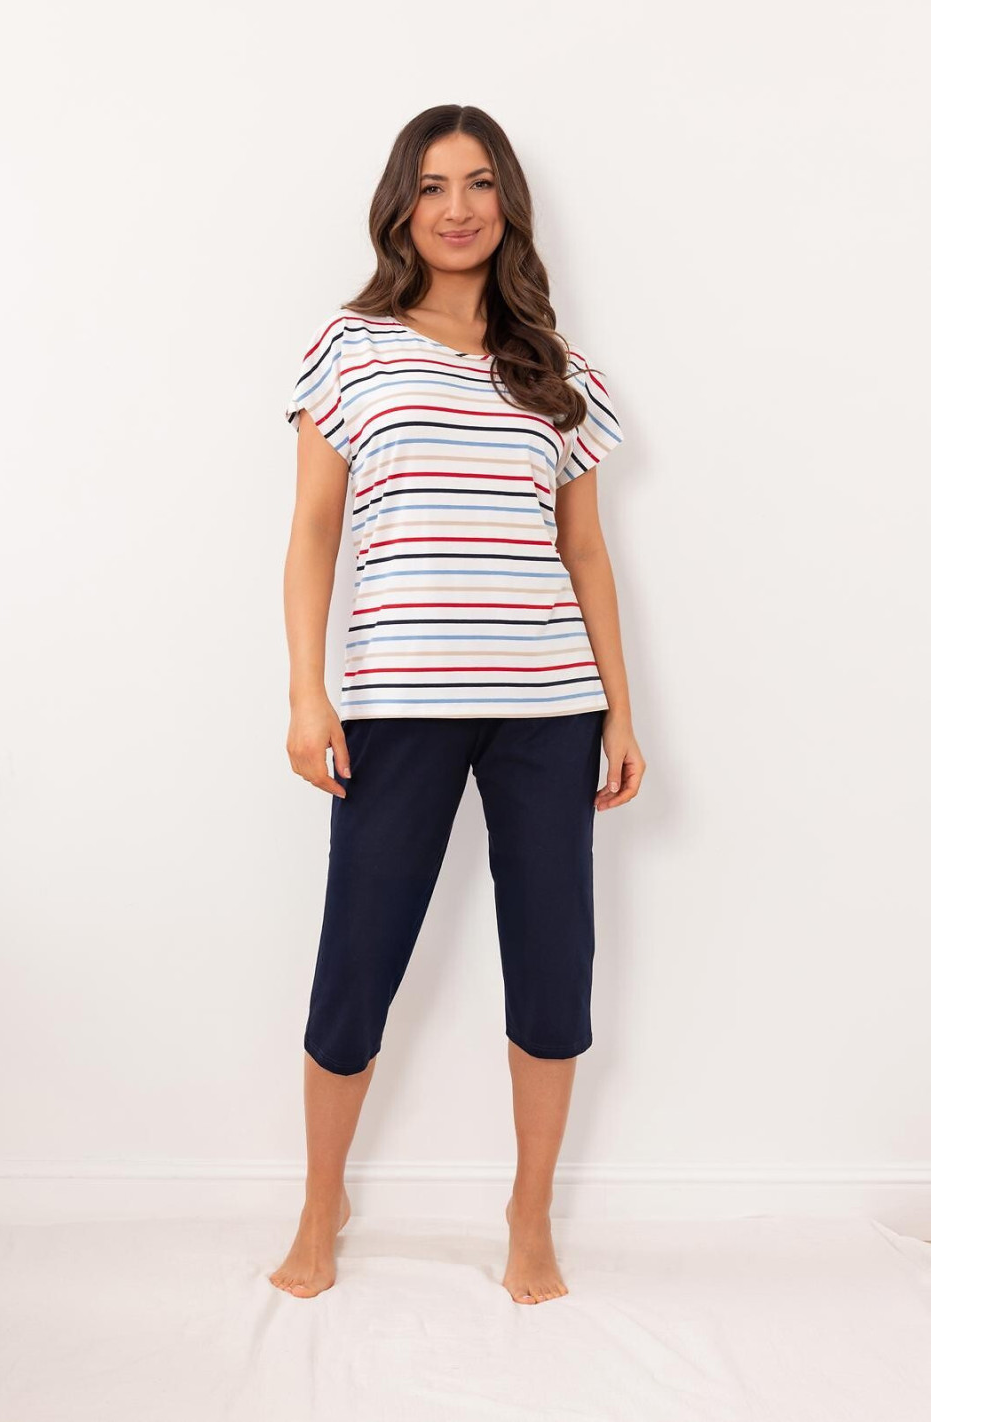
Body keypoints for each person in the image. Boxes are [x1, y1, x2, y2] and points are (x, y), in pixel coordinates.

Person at [270, 104, 645, 1305]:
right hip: (396, 702)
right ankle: (320, 1203)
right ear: (400, 206)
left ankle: (528, 1215)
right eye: (432, 186)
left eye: (479, 183)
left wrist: (619, 713)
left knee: (553, 965)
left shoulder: (556, 369)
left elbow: (583, 553)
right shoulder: (351, 348)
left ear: (506, 204)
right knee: (357, 959)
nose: (456, 207)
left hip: (549, 707)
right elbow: (313, 531)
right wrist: (306, 693)